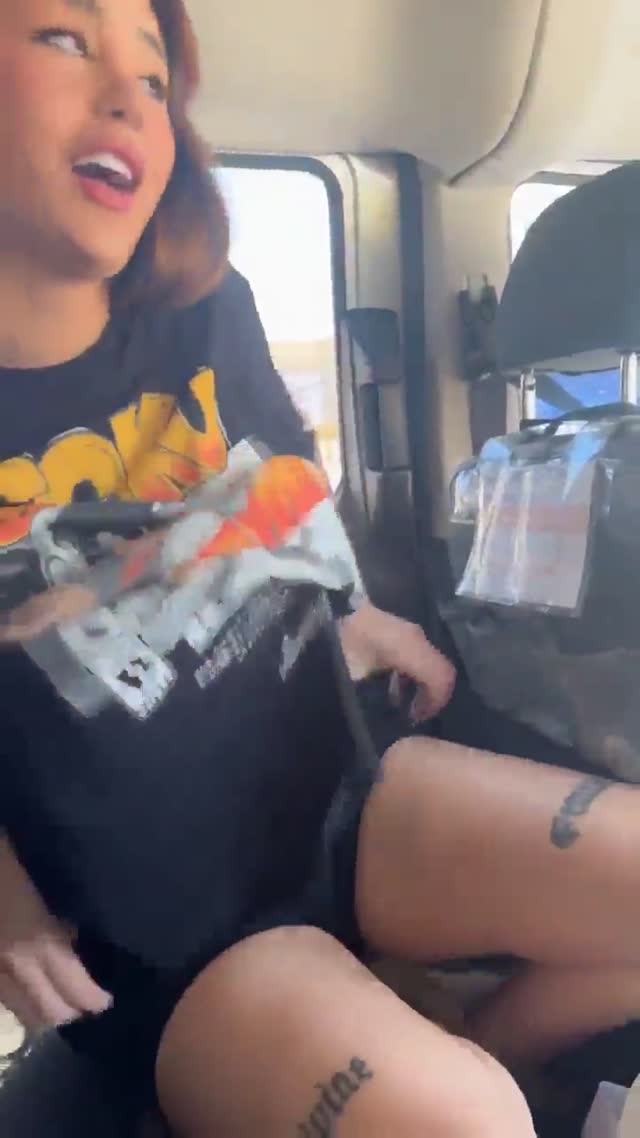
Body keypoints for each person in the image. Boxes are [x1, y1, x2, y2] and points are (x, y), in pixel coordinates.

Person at [2, 3, 640, 1137]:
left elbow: (282, 490)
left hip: (339, 787)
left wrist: (354, 609)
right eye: (63, 39)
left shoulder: (203, 308)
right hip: (171, 930)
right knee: (467, 1120)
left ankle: (465, 1046)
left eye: (155, 80)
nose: (127, 101)